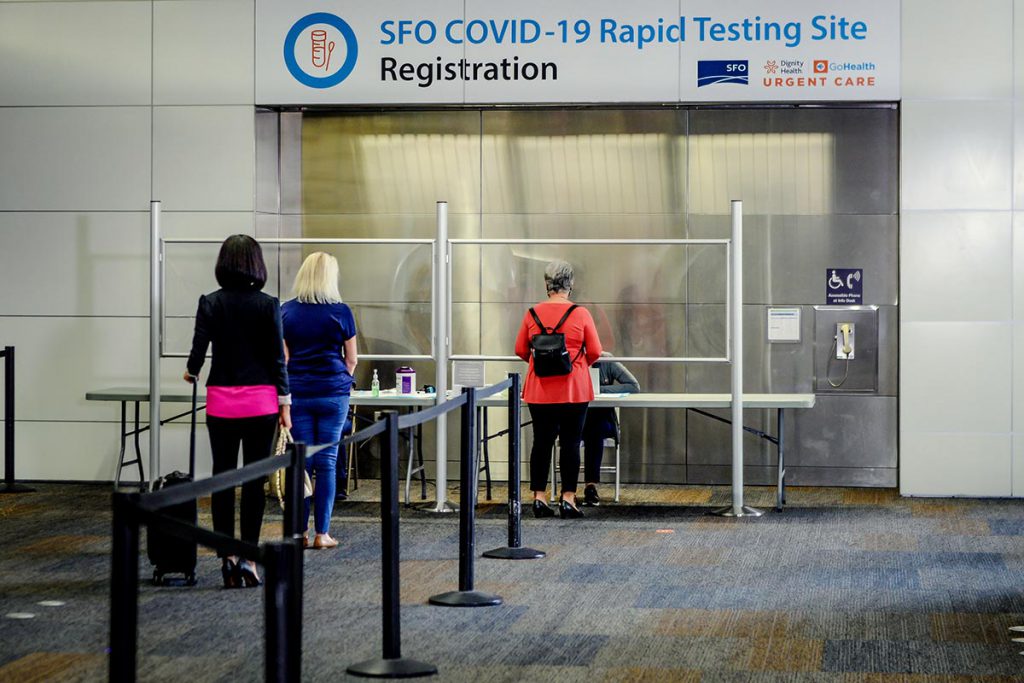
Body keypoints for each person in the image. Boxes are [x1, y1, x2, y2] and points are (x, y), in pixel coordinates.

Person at [184, 234, 290, 589]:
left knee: (222, 478)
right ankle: (248, 558)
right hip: (261, 401)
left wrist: (192, 370)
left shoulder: (211, 302)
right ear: (256, 264)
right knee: (254, 481)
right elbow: (277, 358)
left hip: (221, 401)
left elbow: (199, 347)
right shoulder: (268, 304)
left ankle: (226, 558)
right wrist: (285, 402)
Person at [281, 252, 358, 550]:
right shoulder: (341, 312)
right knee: (327, 462)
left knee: (301, 462)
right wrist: (341, 379)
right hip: (333, 393)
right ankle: (322, 533)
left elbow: (283, 358)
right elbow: (351, 359)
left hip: (298, 392)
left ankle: (298, 532)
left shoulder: (286, 312)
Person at [515, 260, 602, 519]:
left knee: (541, 441)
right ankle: (567, 499)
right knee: (571, 442)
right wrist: (575, 365)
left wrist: (542, 365)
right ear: (570, 285)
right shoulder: (581, 313)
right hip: (573, 389)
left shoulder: (532, 314)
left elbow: (520, 349)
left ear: (547, 284)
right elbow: (596, 351)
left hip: (539, 389)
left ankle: (539, 498)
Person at [581, 352, 640, 506]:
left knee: (594, 427)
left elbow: (633, 386)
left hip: (601, 421)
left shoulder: (605, 360)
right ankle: (579, 489)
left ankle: (589, 486)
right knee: (579, 429)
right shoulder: (569, 359)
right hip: (575, 420)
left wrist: (597, 390)